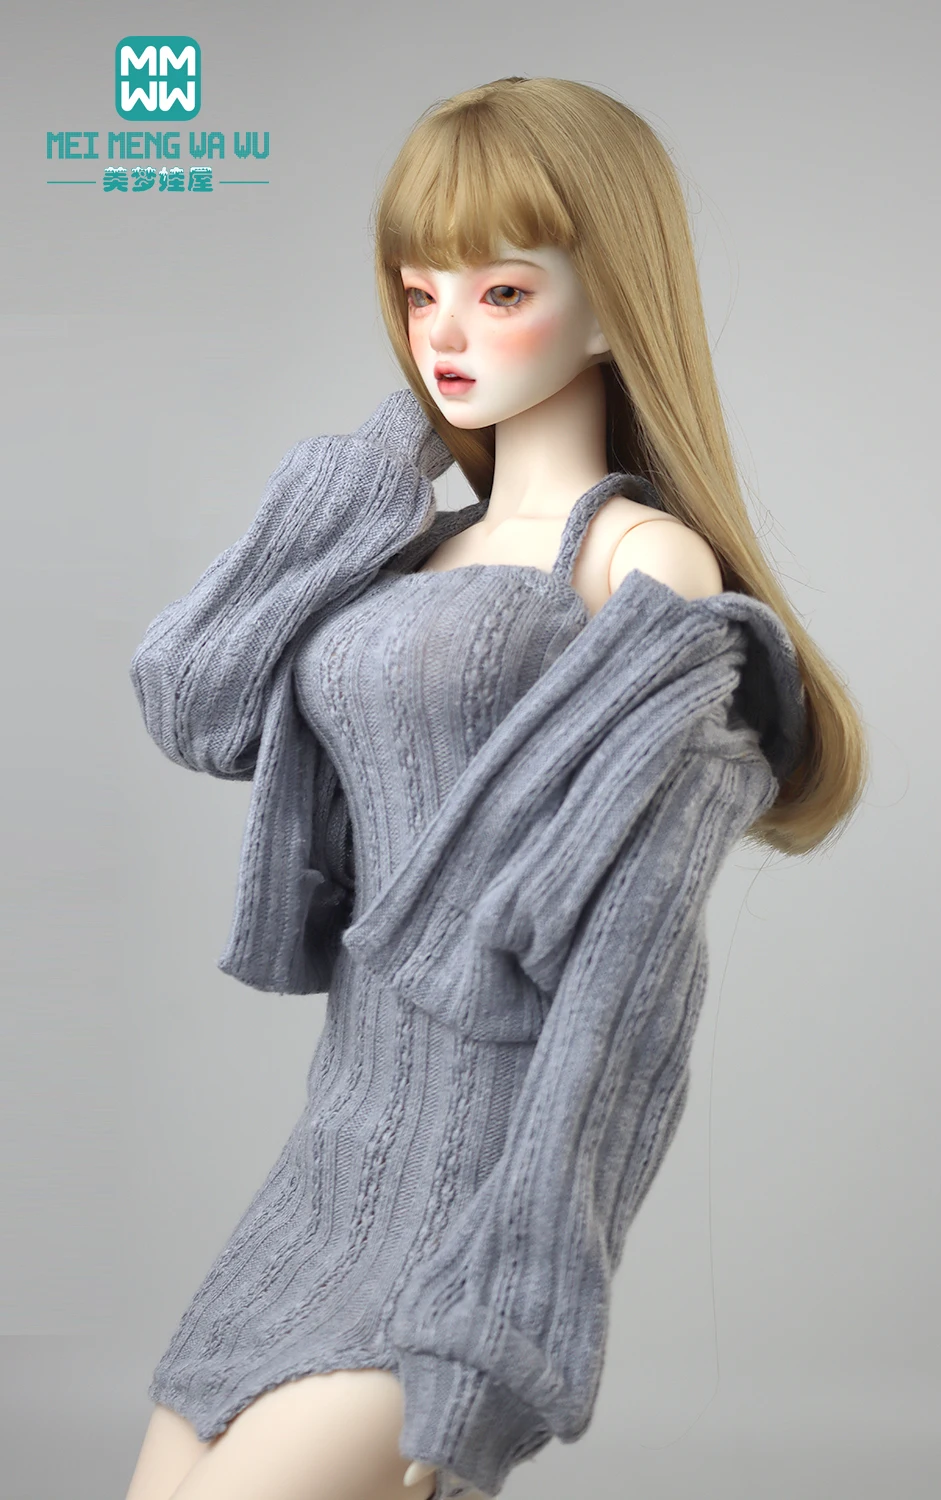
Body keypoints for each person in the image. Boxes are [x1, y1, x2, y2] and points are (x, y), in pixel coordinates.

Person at [123, 76, 868, 1500]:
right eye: (420, 296)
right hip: (325, 1165)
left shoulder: (640, 568)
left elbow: (628, 996)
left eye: (502, 291)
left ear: (614, 305)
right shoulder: (404, 541)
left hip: (469, 1200)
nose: (445, 335)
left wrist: (506, 1333)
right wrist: (388, 457)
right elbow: (195, 697)